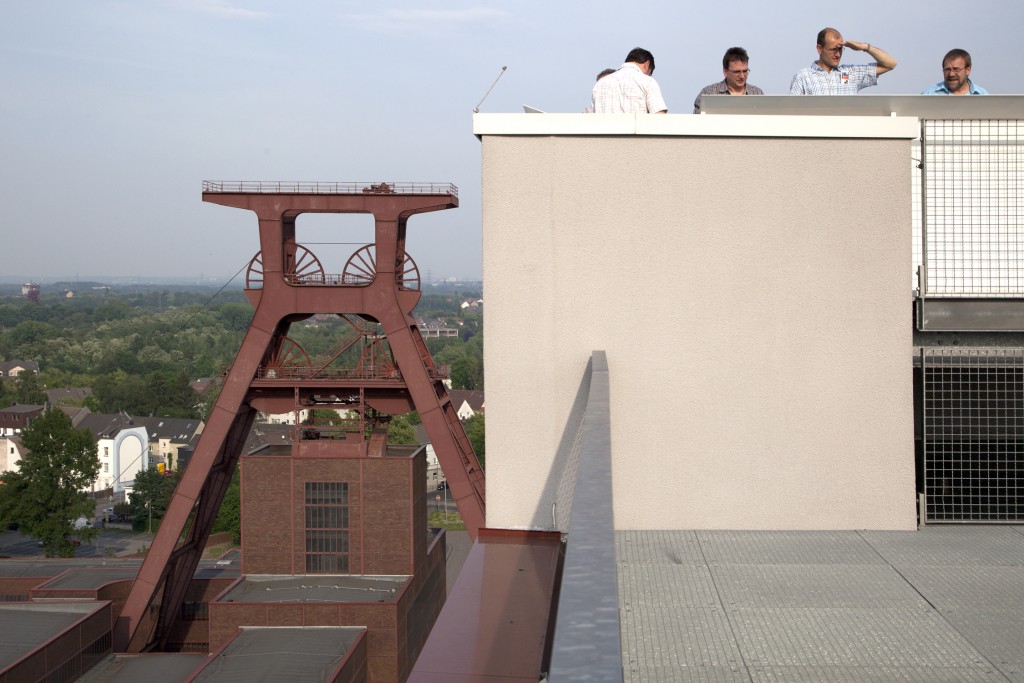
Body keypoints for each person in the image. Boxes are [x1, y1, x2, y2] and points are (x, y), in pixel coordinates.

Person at [790, 27, 896, 95]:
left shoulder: (851, 72)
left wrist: (864, 47)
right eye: (833, 50)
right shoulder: (803, 76)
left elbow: (890, 64)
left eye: (840, 49)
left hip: (846, 130)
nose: (838, 54)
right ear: (819, 49)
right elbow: (792, 111)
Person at [592, 47, 668, 114]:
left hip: (605, 130)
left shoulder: (600, 84)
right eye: (649, 73)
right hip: (638, 130)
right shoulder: (648, 81)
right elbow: (659, 116)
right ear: (647, 64)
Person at [693, 47, 764, 114]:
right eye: (737, 72)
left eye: (745, 71)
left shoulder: (757, 93)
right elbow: (696, 122)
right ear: (725, 72)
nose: (742, 76)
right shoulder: (708, 93)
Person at [922, 49, 988, 95]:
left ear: (968, 70)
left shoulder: (982, 95)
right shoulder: (929, 94)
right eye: (947, 69)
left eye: (956, 69)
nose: (951, 74)